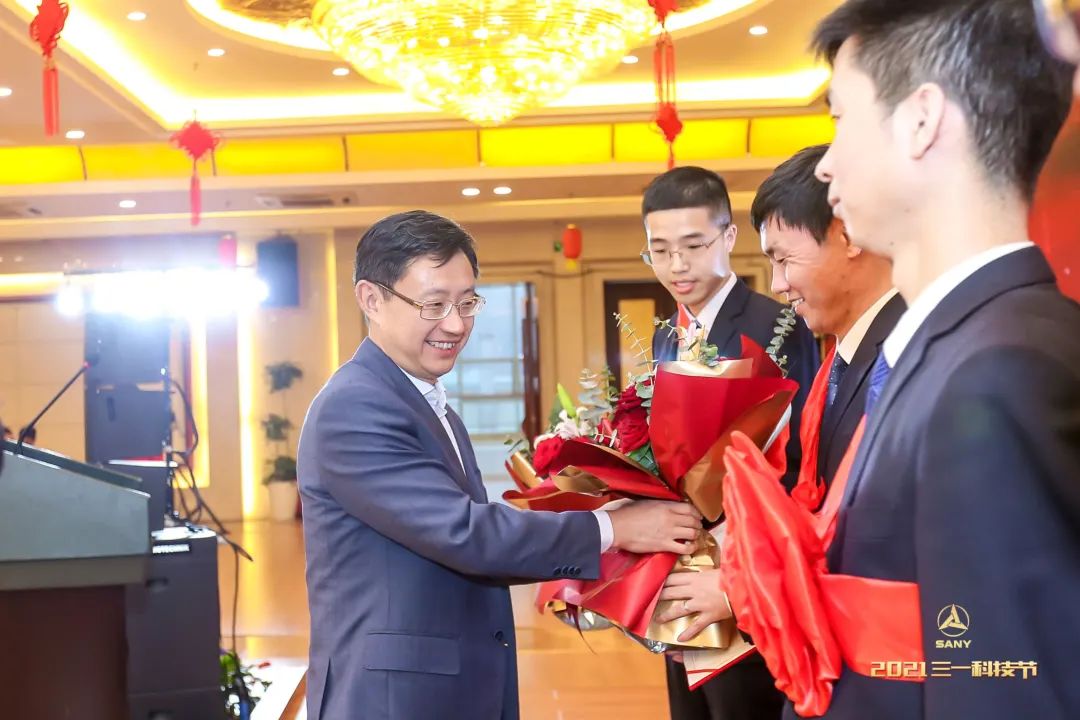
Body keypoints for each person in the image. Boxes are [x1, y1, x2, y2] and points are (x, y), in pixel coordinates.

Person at [298, 210, 703, 720]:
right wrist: (614, 528)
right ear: (371, 299)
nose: (456, 324)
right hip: (393, 697)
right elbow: (465, 534)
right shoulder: (355, 406)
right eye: (433, 304)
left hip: (442, 683)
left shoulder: (424, 401)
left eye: (467, 303)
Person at [802, 1, 1080, 718]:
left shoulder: (998, 375)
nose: (826, 163)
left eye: (840, 118)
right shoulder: (959, 347)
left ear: (921, 120)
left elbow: (1003, 683)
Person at [641, 167, 819, 720]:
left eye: (693, 246)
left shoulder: (779, 326)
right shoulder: (666, 335)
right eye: (660, 250)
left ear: (729, 237)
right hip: (683, 573)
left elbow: (799, 458)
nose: (677, 265)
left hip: (745, 577)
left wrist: (737, 564)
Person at [754, 144, 904, 493]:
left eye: (784, 259)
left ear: (848, 236)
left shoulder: (907, 353)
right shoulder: (844, 359)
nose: (777, 285)